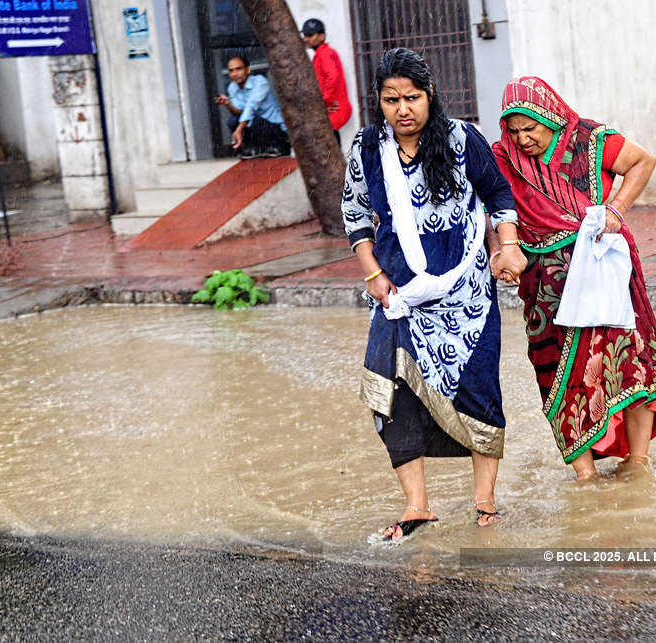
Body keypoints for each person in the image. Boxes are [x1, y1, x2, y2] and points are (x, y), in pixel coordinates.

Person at [341, 48, 519, 541]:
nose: (403, 109)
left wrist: (507, 247)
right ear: (378, 101)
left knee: (479, 392)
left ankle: (484, 499)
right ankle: (417, 506)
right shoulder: (367, 148)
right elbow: (354, 213)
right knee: (390, 395)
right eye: (391, 99)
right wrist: (372, 273)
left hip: (468, 298)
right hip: (399, 295)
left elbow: (498, 195)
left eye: (412, 98)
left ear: (430, 96)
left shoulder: (462, 139)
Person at [491, 76, 656, 482]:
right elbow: (498, 206)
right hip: (546, 284)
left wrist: (616, 209)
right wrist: (503, 250)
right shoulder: (503, 158)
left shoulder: (588, 140)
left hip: (606, 266)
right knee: (558, 371)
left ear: (551, 118)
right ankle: (585, 477)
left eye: (531, 129)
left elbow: (642, 162)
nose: (523, 140)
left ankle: (639, 462)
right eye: (514, 130)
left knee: (630, 362)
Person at [215, 54, 291, 159]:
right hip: (256, 126)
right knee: (233, 121)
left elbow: (251, 107)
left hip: (274, 127)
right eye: (231, 71)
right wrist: (228, 104)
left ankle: (277, 146)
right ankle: (252, 148)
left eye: (238, 69)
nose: (235, 74)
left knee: (253, 120)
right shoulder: (232, 87)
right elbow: (239, 112)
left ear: (248, 70)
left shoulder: (260, 82)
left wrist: (239, 129)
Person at [301, 18, 352, 146]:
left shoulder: (325, 54)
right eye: (305, 35)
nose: (306, 39)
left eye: (310, 35)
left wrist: (325, 100)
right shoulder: (322, 54)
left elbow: (333, 76)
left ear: (322, 36)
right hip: (332, 110)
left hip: (335, 109)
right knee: (330, 145)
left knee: (330, 146)